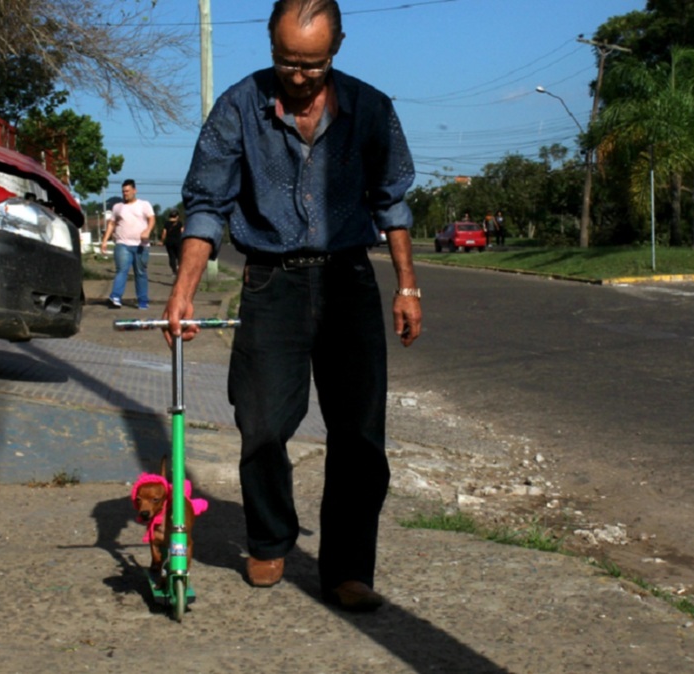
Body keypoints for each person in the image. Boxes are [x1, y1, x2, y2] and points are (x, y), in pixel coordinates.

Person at [163, 0, 422, 612]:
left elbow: (393, 203)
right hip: (271, 285)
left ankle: (349, 568)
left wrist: (407, 286)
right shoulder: (237, 108)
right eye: (286, 62)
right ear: (271, 47)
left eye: (313, 64)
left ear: (336, 50)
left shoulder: (371, 109)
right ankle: (270, 537)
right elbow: (207, 205)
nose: (299, 76)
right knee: (262, 425)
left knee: (359, 436)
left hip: (348, 283)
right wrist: (184, 291)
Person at [100, 179, 155, 309]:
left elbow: (152, 219)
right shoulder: (117, 207)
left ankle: (142, 301)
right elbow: (111, 224)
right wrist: (104, 241)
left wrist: (147, 231)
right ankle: (116, 296)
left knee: (140, 273)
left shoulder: (144, 204)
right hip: (122, 244)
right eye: (123, 191)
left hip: (141, 245)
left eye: (128, 191)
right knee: (122, 271)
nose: (125, 194)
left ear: (134, 191)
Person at [160, 209, 184, 275]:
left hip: (169, 242)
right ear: (177, 216)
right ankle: (179, 267)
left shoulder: (166, 223)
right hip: (178, 241)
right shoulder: (179, 223)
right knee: (179, 256)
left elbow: (164, 233)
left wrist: (162, 241)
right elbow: (182, 232)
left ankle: (174, 270)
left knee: (171, 256)